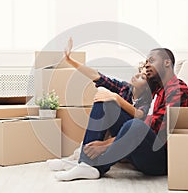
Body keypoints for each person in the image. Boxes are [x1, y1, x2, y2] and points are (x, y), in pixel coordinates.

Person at [53, 47, 188, 181]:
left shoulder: (177, 89)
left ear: (167, 62)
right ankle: (85, 163)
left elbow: (157, 131)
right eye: (145, 62)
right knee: (104, 101)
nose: (146, 65)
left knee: (134, 124)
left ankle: (97, 167)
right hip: (139, 148)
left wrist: (106, 144)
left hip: (161, 159)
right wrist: (70, 60)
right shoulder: (155, 91)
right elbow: (101, 79)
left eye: (151, 60)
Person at [47, 38, 152, 171]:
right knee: (102, 96)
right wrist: (70, 60)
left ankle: (82, 161)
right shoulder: (124, 88)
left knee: (109, 99)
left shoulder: (147, 100)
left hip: (127, 141)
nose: (137, 75)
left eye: (142, 77)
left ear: (147, 87)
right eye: (139, 72)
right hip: (114, 136)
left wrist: (115, 98)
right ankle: (82, 161)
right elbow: (97, 76)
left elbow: (140, 117)